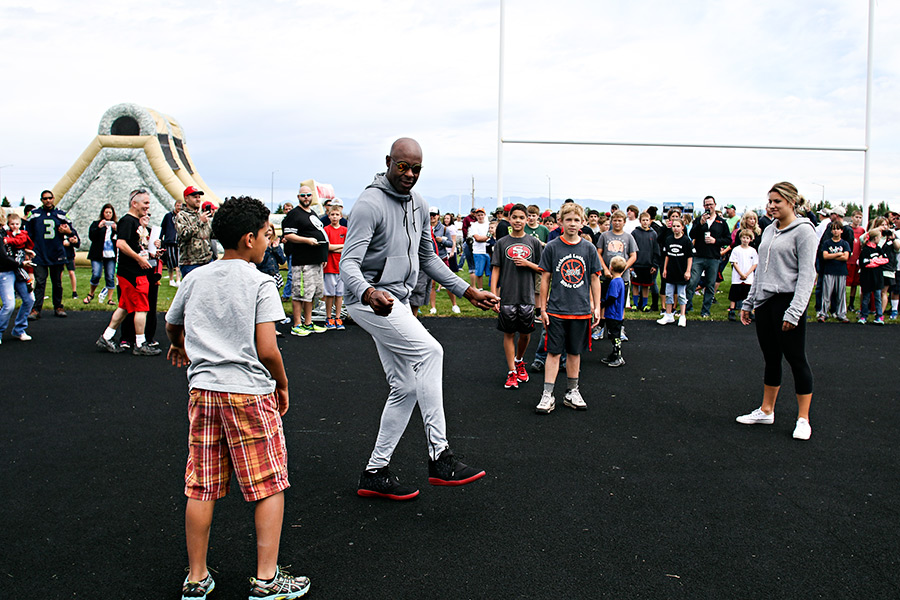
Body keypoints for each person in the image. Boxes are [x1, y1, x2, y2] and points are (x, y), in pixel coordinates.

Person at [165, 196, 310, 600]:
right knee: (267, 484)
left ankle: (196, 578)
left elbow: (172, 321)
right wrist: (281, 383)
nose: (269, 241)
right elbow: (267, 348)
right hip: (248, 392)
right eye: (267, 234)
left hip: (204, 391)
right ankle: (267, 578)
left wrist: (178, 345)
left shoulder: (196, 278)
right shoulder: (260, 282)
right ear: (249, 239)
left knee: (202, 484)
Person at [340, 137, 496, 500]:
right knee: (430, 352)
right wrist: (367, 292)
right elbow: (348, 263)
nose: (409, 174)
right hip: (371, 299)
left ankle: (375, 472)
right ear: (388, 162)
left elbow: (428, 258)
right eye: (402, 167)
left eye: (416, 169)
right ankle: (440, 457)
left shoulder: (420, 204)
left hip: (397, 298)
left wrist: (467, 291)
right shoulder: (369, 204)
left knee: (405, 387)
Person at [737, 182, 817, 441]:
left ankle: (803, 419)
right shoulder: (769, 230)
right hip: (766, 302)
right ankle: (766, 410)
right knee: (771, 358)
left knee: (796, 359)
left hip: (788, 302)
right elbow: (762, 269)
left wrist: (794, 311)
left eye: (777, 202)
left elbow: (807, 275)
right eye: (769, 201)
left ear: (792, 202)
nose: (771, 206)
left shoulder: (804, 232)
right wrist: (750, 302)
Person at [535, 202, 602, 413]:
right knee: (553, 352)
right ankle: (547, 394)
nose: (572, 224)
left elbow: (594, 278)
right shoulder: (553, 247)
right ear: (560, 222)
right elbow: (545, 278)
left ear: (582, 222)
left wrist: (596, 306)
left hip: (580, 311)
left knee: (574, 352)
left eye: (576, 220)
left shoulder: (589, 248)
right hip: (556, 310)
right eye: (568, 220)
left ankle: (572, 391)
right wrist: (542, 308)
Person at [95, 189, 162, 356]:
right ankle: (140, 343)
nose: (148, 206)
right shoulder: (127, 221)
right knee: (141, 308)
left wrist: (152, 252)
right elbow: (121, 244)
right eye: (145, 203)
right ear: (135, 203)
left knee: (124, 306)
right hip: (132, 272)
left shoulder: (136, 223)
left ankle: (107, 336)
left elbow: (136, 246)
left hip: (132, 271)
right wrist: (139, 259)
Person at [490, 203, 542, 389]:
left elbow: (543, 270)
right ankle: (511, 371)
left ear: (527, 219)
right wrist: (494, 295)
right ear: (509, 219)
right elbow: (495, 271)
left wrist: (527, 264)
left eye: (522, 217)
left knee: (526, 334)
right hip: (508, 297)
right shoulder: (502, 243)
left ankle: (519, 360)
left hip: (527, 296)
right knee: (509, 333)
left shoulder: (534, 243)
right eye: (515, 217)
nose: (518, 221)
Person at [282, 185, 328, 336]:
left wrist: (323, 256)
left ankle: (308, 323)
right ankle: (297, 324)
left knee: (311, 294)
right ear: (298, 197)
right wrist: (307, 240)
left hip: (316, 261)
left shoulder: (312, 213)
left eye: (308, 195)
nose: (306, 197)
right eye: (303, 195)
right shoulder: (294, 214)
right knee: (299, 293)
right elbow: (288, 235)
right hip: (302, 262)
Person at [26, 190, 76, 319]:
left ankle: (58, 306)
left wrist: (68, 232)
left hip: (57, 254)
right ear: (41, 200)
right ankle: (36, 309)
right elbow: (27, 234)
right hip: (39, 254)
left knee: (57, 282)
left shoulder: (61, 214)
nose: (48, 201)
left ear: (53, 199)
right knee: (40, 282)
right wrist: (27, 251)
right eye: (45, 198)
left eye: (50, 198)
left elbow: (72, 231)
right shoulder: (34, 215)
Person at [686, 195, 732, 317]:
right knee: (692, 282)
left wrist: (715, 241)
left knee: (710, 285)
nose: (708, 207)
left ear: (715, 205)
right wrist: (700, 223)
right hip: (699, 256)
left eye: (710, 204)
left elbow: (728, 239)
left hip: (714, 257)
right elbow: (692, 234)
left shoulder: (721, 222)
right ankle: (687, 307)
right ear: (703, 206)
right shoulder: (699, 220)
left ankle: (705, 310)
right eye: (706, 205)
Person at [1, 212, 36, 343]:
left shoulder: (19, 234)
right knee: (9, 305)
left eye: (17, 224)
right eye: (12, 224)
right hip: (6, 271)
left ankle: (19, 329)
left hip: (19, 269)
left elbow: (21, 241)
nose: (14, 226)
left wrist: (26, 251)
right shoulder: (3, 233)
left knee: (29, 299)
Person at [657, 216, 692, 327]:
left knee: (681, 295)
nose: (676, 228)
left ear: (682, 227)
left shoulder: (686, 240)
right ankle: (668, 315)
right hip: (670, 271)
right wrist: (665, 269)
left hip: (681, 271)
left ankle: (682, 315)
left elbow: (690, 257)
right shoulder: (669, 239)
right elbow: (667, 255)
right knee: (668, 294)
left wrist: (688, 271)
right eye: (674, 226)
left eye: (678, 226)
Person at [176, 186, 214, 279]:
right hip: (191, 263)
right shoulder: (182, 216)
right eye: (194, 197)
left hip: (207, 261)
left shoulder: (203, 215)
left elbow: (211, 235)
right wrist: (200, 222)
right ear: (186, 199)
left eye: (199, 197)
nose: (198, 199)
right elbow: (184, 234)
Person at [84, 204, 118, 306]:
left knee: (110, 276)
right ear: (103, 213)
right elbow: (91, 236)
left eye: (110, 213)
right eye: (106, 212)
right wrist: (99, 227)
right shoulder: (96, 224)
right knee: (96, 274)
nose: (108, 214)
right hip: (97, 254)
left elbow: (121, 238)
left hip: (111, 254)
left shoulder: (116, 225)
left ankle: (110, 299)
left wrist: (116, 229)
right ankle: (91, 294)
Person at [816, 221, 850, 323]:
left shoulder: (844, 243)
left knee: (840, 294)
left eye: (837, 229)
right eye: (834, 229)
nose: (835, 231)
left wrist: (833, 256)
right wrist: (838, 254)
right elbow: (825, 256)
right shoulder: (827, 243)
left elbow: (846, 257)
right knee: (826, 293)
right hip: (829, 271)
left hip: (841, 272)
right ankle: (823, 313)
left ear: (841, 230)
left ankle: (841, 314)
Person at [430, 207, 460, 314]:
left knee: (447, 282)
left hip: (442, 257)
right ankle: (433, 307)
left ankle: (454, 305)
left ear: (438, 216)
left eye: (434, 214)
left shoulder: (444, 229)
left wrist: (442, 240)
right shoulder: (425, 227)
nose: (432, 217)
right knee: (432, 284)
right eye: (430, 214)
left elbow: (451, 244)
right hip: (430, 258)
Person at [322, 204, 347, 330]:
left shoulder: (344, 230)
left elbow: (347, 246)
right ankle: (328, 317)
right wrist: (338, 247)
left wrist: (334, 247)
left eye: (337, 214)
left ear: (341, 216)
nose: (335, 217)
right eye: (332, 214)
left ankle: (338, 317)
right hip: (330, 266)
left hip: (341, 266)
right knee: (329, 293)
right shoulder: (326, 230)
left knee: (339, 294)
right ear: (329, 216)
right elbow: (327, 247)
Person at [600, 256, 627, 367]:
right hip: (616, 313)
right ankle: (614, 354)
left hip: (613, 314)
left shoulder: (615, 282)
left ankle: (618, 355)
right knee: (612, 334)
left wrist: (603, 304)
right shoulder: (621, 281)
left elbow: (612, 297)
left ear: (610, 268)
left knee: (614, 335)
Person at [630, 212, 659, 312]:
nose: (645, 222)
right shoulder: (635, 233)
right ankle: (635, 304)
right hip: (637, 264)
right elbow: (631, 249)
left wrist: (654, 265)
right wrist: (631, 265)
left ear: (650, 221)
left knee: (646, 286)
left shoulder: (653, 233)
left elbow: (656, 250)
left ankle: (644, 305)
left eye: (647, 220)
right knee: (635, 285)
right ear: (640, 221)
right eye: (643, 220)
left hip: (648, 264)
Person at [727, 229, 758, 321]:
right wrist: (741, 274)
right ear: (740, 238)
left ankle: (748, 312)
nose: (745, 240)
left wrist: (747, 274)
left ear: (750, 239)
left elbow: (755, 264)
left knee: (747, 295)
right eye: (743, 237)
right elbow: (734, 263)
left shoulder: (753, 251)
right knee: (734, 295)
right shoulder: (736, 250)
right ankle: (732, 311)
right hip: (737, 277)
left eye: (747, 238)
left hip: (749, 278)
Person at [857, 227, 886, 325]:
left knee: (878, 297)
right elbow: (863, 263)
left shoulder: (879, 249)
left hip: (877, 278)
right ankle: (864, 315)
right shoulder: (865, 250)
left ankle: (879, 316)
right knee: (866, 298)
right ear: (875, 238)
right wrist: (875, 261)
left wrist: (873, 261)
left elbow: (885, 260)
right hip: (867, 278)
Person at [846, 210, 865, 312]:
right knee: (845, 283)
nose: (858, 219)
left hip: (857, 261)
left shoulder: (862, 230)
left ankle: (851, 304)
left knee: (855, 284)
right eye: (856, 217)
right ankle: (842, 303)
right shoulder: (848, 229)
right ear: (852, 217)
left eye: (860, 218)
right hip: (848, 260)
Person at [160, 199, 182, 287]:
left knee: (178, 262)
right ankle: (171, 279)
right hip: (170, 242)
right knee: (170, 263)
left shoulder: (182, 216)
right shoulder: (168, 216)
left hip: (179, 242)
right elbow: (163, 228)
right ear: (175, 206)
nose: (179, 208)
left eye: (181, 206)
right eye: (178, 206)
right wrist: (160, 238)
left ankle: (178, 280)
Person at [468, 207, 491, 290]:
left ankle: (492, 287)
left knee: (491, 270)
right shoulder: (474, 225)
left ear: (485, 215)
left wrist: (486, 238)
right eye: (478, 215)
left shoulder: (489, 224)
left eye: (482, 215)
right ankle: (480, 288)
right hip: (478, 251)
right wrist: (488, 237)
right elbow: (477, 238)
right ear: (476, 216)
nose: (480, 217)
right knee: (479, 272)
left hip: (489, 251)